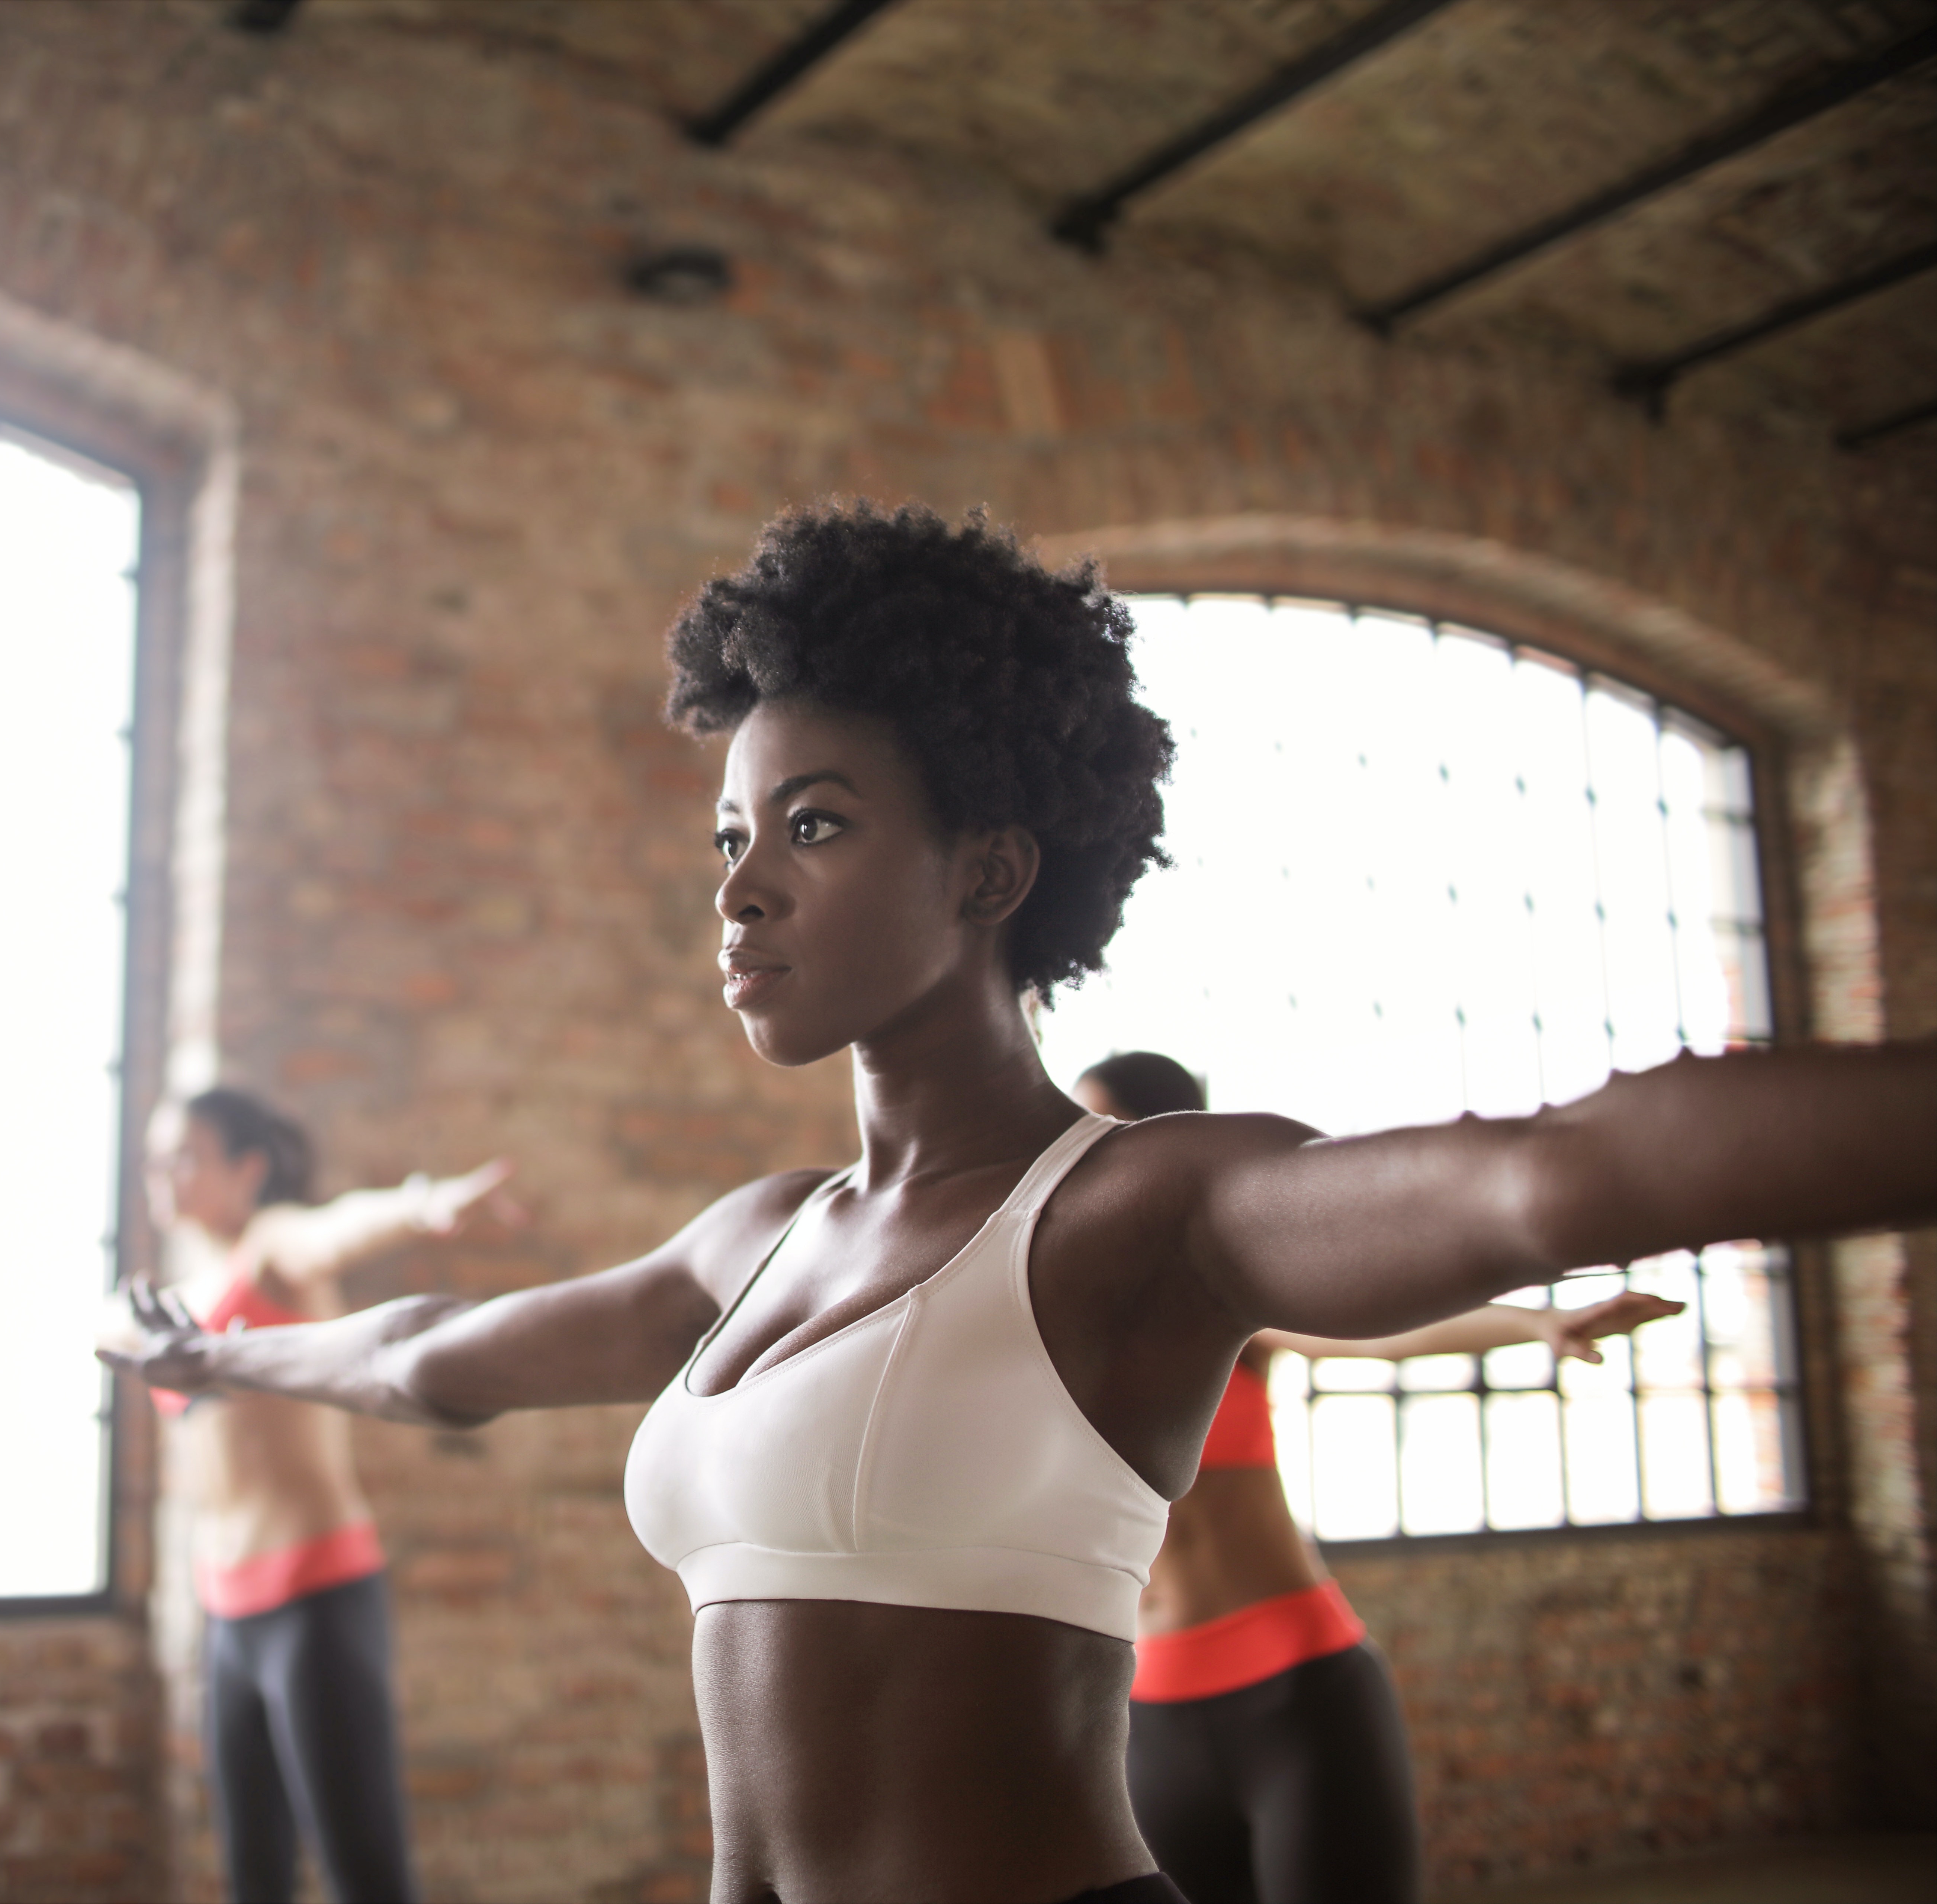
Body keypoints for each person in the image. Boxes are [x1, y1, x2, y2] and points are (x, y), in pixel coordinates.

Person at [101, 500, 1937, 1904]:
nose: (740, 890)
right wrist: (212, 1350)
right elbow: (434, 1350)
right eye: (728, 836)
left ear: (987, 865)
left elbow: (1561, 1175)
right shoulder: (756, 1238)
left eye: (812, 825)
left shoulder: (1140, 1211)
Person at [1074, 1051, 1681, 1904]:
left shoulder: (1225, 1303)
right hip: (1149, 1722)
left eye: (1105, 1128)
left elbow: (1379, 1327)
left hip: (1298, 1698)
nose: (1085, 1153)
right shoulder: (1060, 1322)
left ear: (1161, 1144)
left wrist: (1533, 1320)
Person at [124, 1086, 517, 1904]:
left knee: (364, 1878)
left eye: (185, 1158)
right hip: (226, 1615)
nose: (162, 1176)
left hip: (315, 1602)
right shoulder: (179, 1294)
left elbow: (330, 1229)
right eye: (157, 1158)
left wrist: (422, 1205)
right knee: (253, 1881)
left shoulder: (268, 1249)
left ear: (248, 1170)